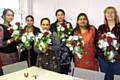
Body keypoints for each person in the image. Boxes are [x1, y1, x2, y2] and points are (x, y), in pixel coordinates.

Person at [97, 6, 120, 80]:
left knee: (117, 77)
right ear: (105, 15)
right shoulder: (101, 27)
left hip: (117, 58)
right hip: (103, 58)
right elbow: (97, 41)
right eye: (108, 12)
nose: (110, 14)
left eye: (112, 12)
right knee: (106, 77)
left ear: (115, 15)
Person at [50, 9, 73, 74]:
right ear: (56, 16)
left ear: (64, 16)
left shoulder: (68, 24)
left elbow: (71, 36)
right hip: (56, 51)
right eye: (58, 15)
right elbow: (50, 38)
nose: (60, 16)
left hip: (66, 52)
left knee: (65, 72)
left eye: (61, 15)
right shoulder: (52, 25)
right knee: (56, 71)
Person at [0, 9, 19, 75]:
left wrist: (19, 39)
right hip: (5, 55)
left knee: (16, 73)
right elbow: (0, 44)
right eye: (8, 15)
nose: (11, 17)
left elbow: (15, 42)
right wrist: (10, 40)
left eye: (12, 15)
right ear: (4, 16)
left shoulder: (13, 27)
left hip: (15, 53)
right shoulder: (1, 27)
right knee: (8, 74)